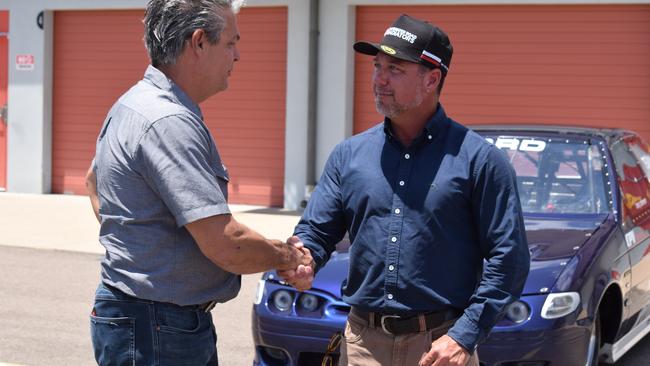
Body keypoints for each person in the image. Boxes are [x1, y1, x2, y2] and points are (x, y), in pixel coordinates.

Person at [280, 14, 530, 366]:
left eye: (395, 69)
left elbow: (510, 260)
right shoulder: (349, 155)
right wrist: (305, 260)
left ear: (432, 79)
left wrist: (464, 336)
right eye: (377, 66)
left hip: (441, 348)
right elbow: (317, 231)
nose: (379, 80)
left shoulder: (480, 160)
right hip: (362, 346)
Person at [84, 1, 312, 365]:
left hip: (146, 318)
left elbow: (95, 185)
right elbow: (227, 244)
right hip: (158, 327)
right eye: (231, 43)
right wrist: (287, 256)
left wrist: (142, 243)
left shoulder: (134, 105)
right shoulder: (167, 120)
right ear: (199, 42)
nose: (237, 56)